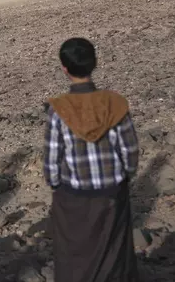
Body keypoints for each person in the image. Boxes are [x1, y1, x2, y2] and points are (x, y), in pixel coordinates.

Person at [43, 37, 140, 282]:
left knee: (74, 255)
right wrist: (125, 175)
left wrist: (55, 185)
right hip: (111, 192)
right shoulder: (115, 104)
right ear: (95, 63)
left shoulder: (59, 110)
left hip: (74, 195)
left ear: (64, 68)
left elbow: (52, 159)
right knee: (114, 254)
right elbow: (130, 150)